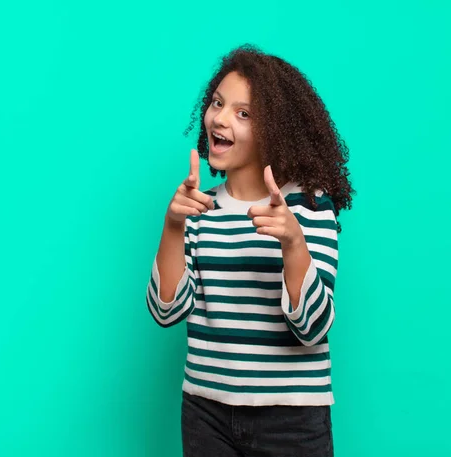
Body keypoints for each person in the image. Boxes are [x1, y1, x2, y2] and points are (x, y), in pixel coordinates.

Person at [146, 44, 354, 457]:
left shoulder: (309, 206)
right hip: (206, 412)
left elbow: (313, 328)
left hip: (292, 419)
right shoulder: (199, 208)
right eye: (218, 104)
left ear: (274, 130)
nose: (220, 119)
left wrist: (294, 243)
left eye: (244, 113)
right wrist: (173, 226)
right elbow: (166, 312)